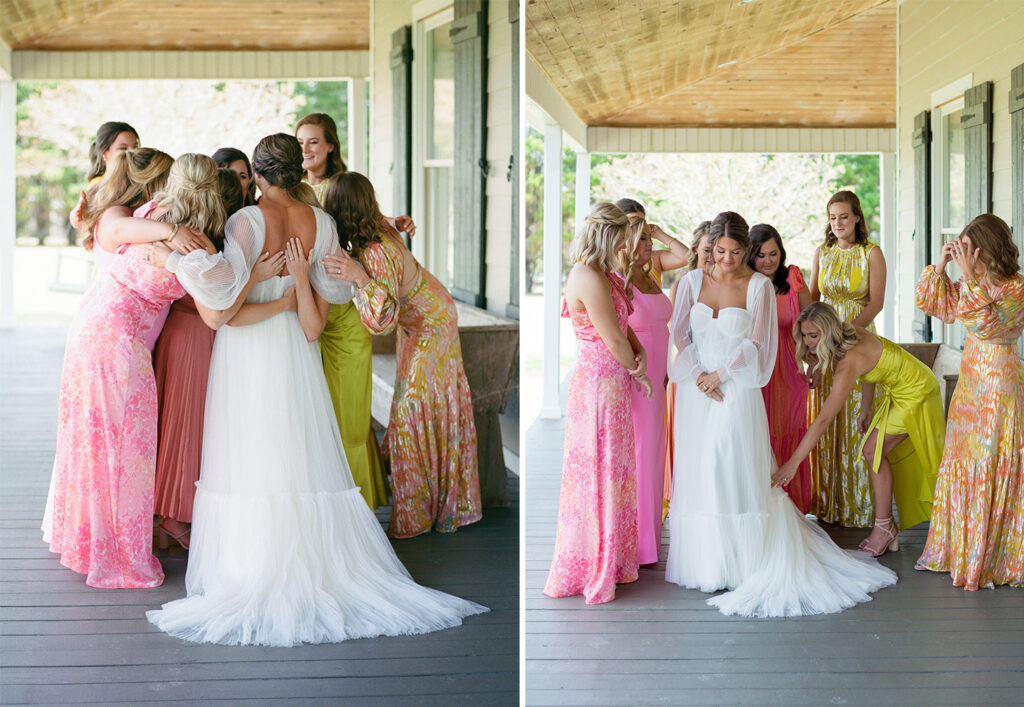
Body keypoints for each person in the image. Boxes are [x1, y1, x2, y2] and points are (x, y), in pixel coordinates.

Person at [145, 134, 486, 646]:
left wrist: (169, 257)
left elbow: (224, 311)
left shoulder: (244, 222)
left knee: (249, 458)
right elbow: (314, 327)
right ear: (296, 174)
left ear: (257, 175)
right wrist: (293, 287)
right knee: (295, 454)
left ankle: (250, 566)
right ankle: (309, 561)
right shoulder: (322, 224)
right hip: (297, 357)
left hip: (247, 358)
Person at [665, 211, 896, 617]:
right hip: (696, 390)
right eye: (720, 251)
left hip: (736, 388)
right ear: (711, 247)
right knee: (701, 471)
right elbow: (679, 333)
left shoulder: (757, 286)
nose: (726, 259)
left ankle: (744, 559)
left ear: (746, 251)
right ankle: (710, 562)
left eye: (736, 252)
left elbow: (759, 344)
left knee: (729, 465)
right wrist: (700, 374)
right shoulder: (690, 282)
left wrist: (721, 374)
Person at [42, 153, 222, 588]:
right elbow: (216, 311)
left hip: (92, 327)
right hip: (119, 344)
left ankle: (87, 545)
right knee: (127, 452)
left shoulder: (150, 211)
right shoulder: (198, 243)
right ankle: (119, 559)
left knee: (96, 442)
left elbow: (115, 231)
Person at [321, 172, 484, 538]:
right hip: (423, 319)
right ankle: (436, 500)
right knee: (417, 404)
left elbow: (383, 320)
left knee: (412, 408)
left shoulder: (374, 252)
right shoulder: (375, 232)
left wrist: (359, 277)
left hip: (432, 323)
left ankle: (417, 516)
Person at [152, 167, 279, 549]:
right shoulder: (206, 242)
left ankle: (167, 514)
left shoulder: (169, 222)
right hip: (195, 334)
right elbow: (219, 306)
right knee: (188, 425)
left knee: (179, 422)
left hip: (178, 331)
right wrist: (253, 278)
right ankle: (175, 516)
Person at [543, 202, 651, 605]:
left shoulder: (606, 275)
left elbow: (626, 327)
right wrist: (638, 369)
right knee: (598, 469)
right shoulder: (587, 276)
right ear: (607, 236)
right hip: (598, 387)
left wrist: (638, 358)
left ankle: (616, 557)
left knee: (614, 467)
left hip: (612, 384)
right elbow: (613, 338)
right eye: (623, 240)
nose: (626, 246)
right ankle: (592, 561)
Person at [774, 302, 945, 556]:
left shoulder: (847, 363)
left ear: (828, 331)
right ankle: (886, 527)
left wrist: (794, 462)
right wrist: (866, 407)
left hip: (916, 390)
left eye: (813, 336)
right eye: (805, 336)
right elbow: (872, 368)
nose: (808, 342)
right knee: (873, 451)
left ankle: (885, 528)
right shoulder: (850, 333)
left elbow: (823, 420)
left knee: (872, 449)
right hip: (905, 387)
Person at [914, 214, 1024, 590]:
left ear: (984, 251)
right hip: (972, 381)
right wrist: (942, 266)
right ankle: (957, 549)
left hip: (999, 384)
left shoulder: (1016, 288)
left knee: (991, 460)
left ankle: (992, 557)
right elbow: (936, 305)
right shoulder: (969, 283)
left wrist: (972, 280)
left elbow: (987, 325)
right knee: (962, 458)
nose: (964, 258)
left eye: (966, 251)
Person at [295, 113, 389, 511]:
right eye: (299, 142)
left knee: (349, 418)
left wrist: (394, 224)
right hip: (307, 315)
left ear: (331, 144)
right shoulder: (293, 190)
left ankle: (359, 510)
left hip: (343, 312)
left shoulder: (341, 186)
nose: (306, 150)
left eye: (313, 142)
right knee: (321, 416)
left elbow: (369, 222)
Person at [807, 190, 887, 527]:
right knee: (829, 420)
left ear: (856, 217)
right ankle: (830, 505)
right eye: (832, 217)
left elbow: (876, 303)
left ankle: (859, 508)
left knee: (857, 420)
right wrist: (814, 345)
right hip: (825, 344)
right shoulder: (821, 253)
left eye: (844, 216)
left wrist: (845, 334)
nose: (838, 223)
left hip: (858, 338)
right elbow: (812, 299)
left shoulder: (871, 253)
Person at [615, 216, 671, 565]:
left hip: (661, 371)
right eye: (644, 239)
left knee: (654, 451)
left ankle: (650, 538)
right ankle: (636, 543)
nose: (651, 244)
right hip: (639, 374)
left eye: (651, 238)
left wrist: (659, 233)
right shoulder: (618, 280)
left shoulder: (648, 273)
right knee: (642, 452)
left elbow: (690, 255)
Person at [748, 223, 813, 513]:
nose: (768, 261)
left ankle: (790, 507)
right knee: (756, 433)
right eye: (761, 255)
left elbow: (813, 327)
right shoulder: (744, 282)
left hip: (787, 369)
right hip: (753, 370)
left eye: (773, 253)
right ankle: (758, 505)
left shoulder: (793, 279)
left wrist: (815, 365)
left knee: (786, 431)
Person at [664, 220, 713, 521]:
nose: (713, 256)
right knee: (691, 443)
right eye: (707, 249)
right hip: (690, 372)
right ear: (695, 249)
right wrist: (698, 371)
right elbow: (677, 333)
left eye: (717, 250)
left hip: (722, 372)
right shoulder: (683, 284)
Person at [615, 198, 690, 287]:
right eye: (633, 222)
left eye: (642, 222)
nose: (639, 227)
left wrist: (659, 234)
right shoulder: (610, 265)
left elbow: (688, 257)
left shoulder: (654, 259)